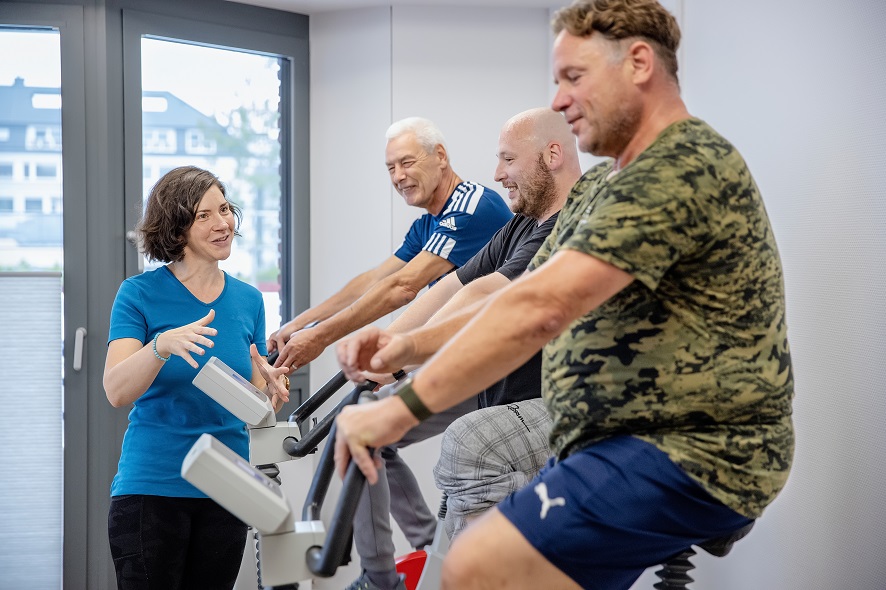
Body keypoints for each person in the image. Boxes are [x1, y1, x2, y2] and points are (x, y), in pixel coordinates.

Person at [334, 1, 795, 589]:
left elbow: (540, 311)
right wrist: (407, 347)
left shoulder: (682, 166)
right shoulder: (602, 184)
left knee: (478, 566)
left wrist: (399, 412)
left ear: (638, 64)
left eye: (574, 77)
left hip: (691, 448)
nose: (560, 99)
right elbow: (517, 292)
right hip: (611, 441)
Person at [335, 107, 582, 590]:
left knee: (468, 446)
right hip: (496, 389)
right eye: (391, 167)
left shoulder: (562, 226)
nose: (497, 173)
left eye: (507, 159)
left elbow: (491, 298)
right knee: (370, 433)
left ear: (552, 154)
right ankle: (388, 575)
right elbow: (456, 288)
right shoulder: (519, 224)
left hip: (538, 403)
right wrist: (389, 349)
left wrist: (402, 353)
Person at [103, 166, 290, 590]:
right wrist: (161, 346)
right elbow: (116, 390)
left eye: (224, 210)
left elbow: (251, 398)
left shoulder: (249, 299)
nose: (222, 223)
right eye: (204, 215)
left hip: (228, 486)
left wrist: (268, 393)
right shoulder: (138, 294)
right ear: (177, 227)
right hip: (153, 487)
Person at [268, 117, 512, 372]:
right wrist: (299, 324)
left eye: (407, 163)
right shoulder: (425, 226)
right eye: (391, 168)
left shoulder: (471, 206)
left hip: (502, 358)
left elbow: (402, 286)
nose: (398, 176)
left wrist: (320, 336)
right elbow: (375, 279)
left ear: (440, 156)